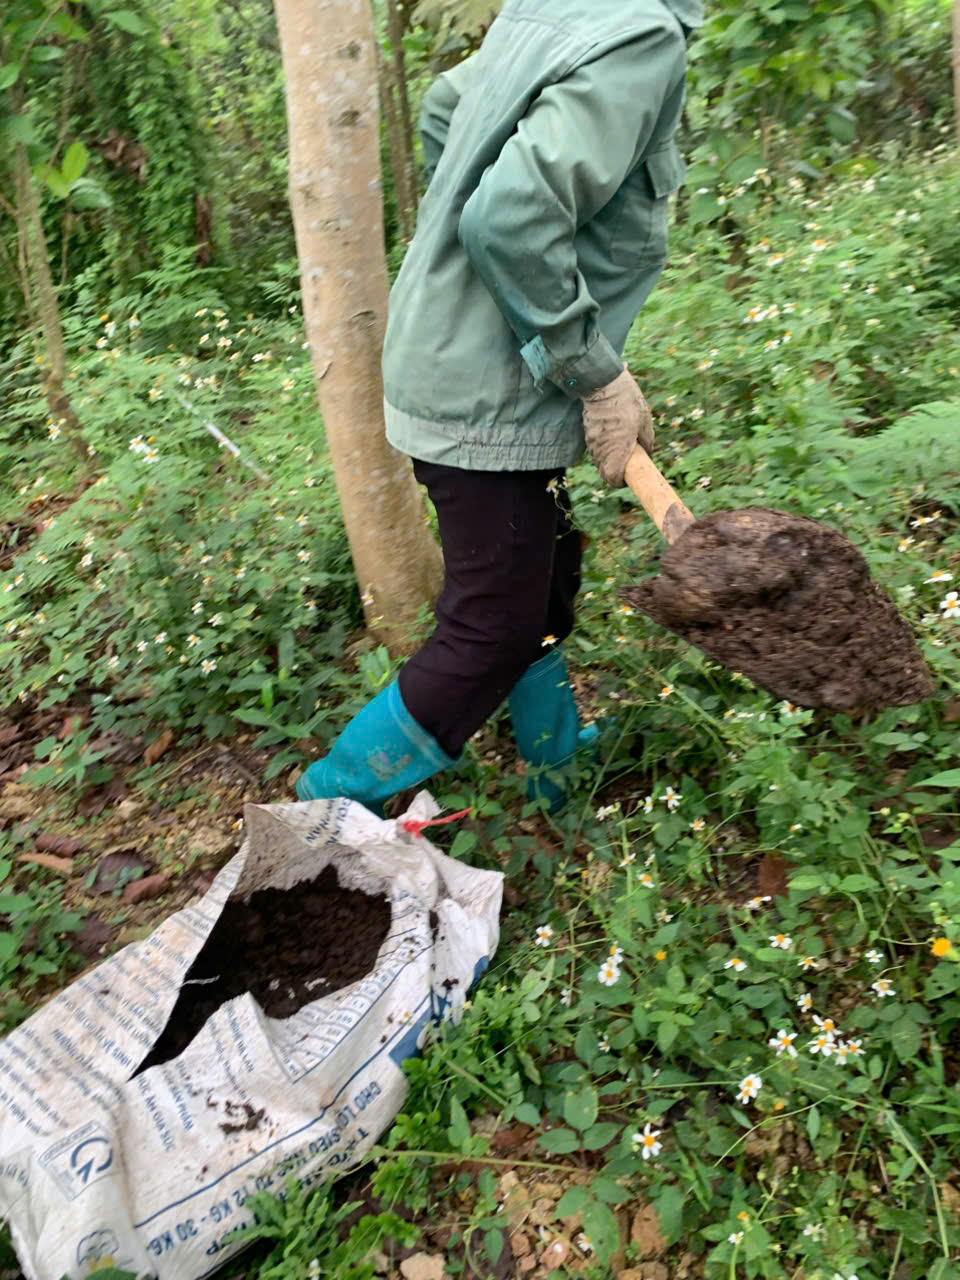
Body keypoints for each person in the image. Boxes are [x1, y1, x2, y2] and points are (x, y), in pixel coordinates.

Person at [297, 0, 703, 814]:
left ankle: (556, 764)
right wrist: (594, 372)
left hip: (474, 367)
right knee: (494, 629)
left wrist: (468, 270)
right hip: (485, 391)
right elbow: (513, 215)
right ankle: (324, 809)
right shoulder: (643, 35)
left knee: (545, 585)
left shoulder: (572, 6)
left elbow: (448, 103)